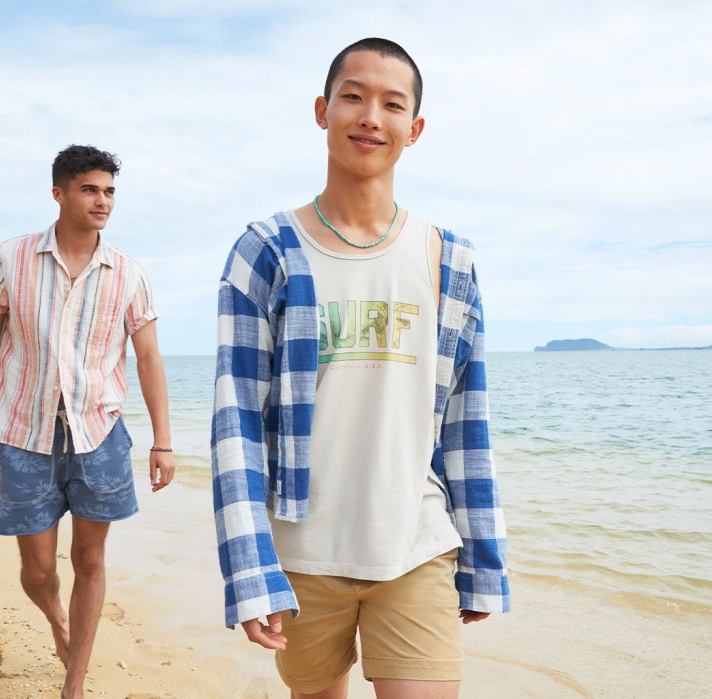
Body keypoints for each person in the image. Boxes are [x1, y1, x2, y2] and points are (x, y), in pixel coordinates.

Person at [211, 38, 509, 698]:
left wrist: (484, 555)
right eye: (353, 96)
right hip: (302, 555)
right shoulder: (266, 251)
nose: (370, 115)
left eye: (391, 103)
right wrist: (249, 566)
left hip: (417, 544)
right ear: (322, 111)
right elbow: (236, 422)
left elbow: (467, 419)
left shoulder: (447, 257)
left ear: (415, 128)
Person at [0, 144, 175, 699]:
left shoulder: (129, 273)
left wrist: (163, 441)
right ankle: (58, 621)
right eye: (89, 189)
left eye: (109, 191)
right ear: (59, 193)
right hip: (25, 433)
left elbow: (147, 358)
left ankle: (73, 682)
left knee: (90, 558)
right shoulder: (9, 259)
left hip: (99, 433)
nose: (102, 201)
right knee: (37, 572)